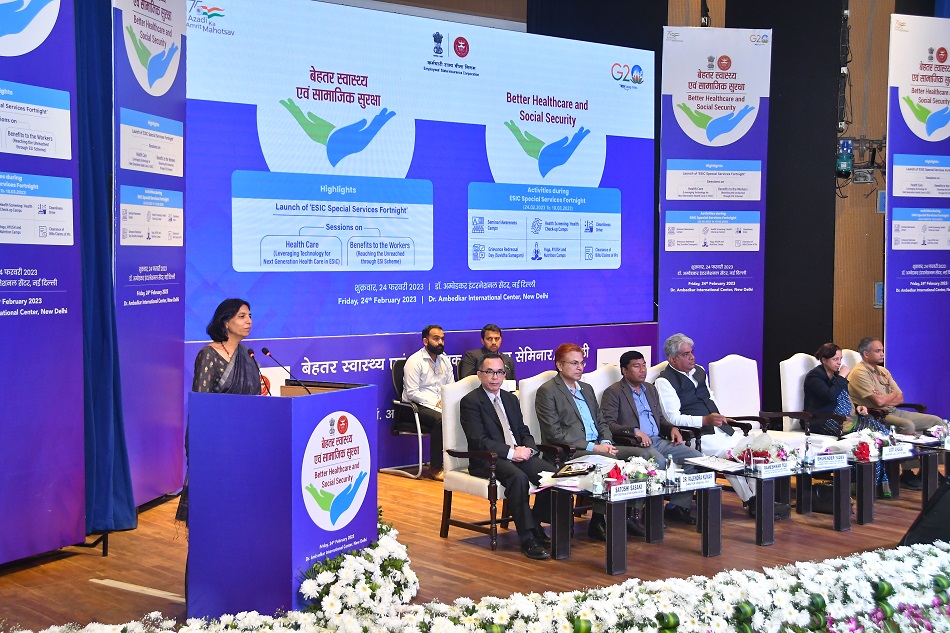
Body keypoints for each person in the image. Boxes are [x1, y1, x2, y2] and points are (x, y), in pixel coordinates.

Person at [535, 343, 655, 540]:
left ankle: (626, 516)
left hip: (600, 445)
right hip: (570, 451)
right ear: (559, 365)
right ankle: (598, 520)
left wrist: (606, 441)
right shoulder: (548, 391)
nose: (580, 367)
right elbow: (554, 433)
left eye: (582, 363)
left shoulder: (587, 389)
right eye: (574, 363)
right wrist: (595, 447)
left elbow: (601, 421)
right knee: (608, 461)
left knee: (642, 456)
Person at [654, 333, 781, 518]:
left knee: (749, 450)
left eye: (692, 352)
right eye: (686, 354)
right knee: (730, 455)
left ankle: (760, 499)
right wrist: (704, 421)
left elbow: (710, 398)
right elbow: (672, 418)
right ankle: (753, 501)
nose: (692, 357)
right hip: (696, 435)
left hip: (719, 429)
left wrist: (721, 417)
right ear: (673, 359)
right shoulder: (664, 381)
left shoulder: (699, 371)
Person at [459, 353, 553, 560]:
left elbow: (523, 430)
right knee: (518, 478)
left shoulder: (510, 399)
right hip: (488, 459)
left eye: (499, 372)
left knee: (551, 475)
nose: (495, 377)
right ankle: (527, 538)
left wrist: (529, 449)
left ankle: (535, 523)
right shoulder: (470, 402)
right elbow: (478, 440)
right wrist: (511, 453)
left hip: (518, 453)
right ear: (479, 374)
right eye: (489, 372)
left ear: (504, 375)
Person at [179, 298, 264, 523]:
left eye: (250, 316)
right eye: (242, 316)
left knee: (241, 509)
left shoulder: (247, 356)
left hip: (246, 440)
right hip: (217, 443)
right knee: (215, 509)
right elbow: (201, 405)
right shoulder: (209, 355)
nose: (249, 321)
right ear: (226, 322)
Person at [601, 350, 700, 524]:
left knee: (696, 458)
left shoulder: (650, 389)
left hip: (659, 440)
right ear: (624, 370)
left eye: (644, 365)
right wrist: (634, 431)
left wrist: (672, 428)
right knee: (658, 462)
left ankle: (676, 506)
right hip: (636, 444)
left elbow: (659, 418)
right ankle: (650, 513)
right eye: (636, 366)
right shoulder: (614, 392)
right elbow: (609, 424)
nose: (642, 370)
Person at [848, 337, 941, 490]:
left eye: (882, 350)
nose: (882, 354)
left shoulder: (883, 371)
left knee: (936, 422)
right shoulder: (859, 373)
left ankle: (930, 470)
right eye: (878, 351)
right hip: (875, 416)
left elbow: (900, 397)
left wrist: (886, 398)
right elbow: (878, 402)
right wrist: (890, 396)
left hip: (894, 411)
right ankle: (907, 473)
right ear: (866, 353)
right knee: (907, 425)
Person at [805, 343, 893, 497]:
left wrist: (858, 407)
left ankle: (878, 484)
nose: (839, 363)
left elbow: (845, 399)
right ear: (824, 360)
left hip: (849, 418)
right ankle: (858, 484)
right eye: (835, 359)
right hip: (825, 421)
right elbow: (829, 397)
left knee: (883, 434)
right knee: (867, 438)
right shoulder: (815, 377)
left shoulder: (836, 376)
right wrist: (841, 377)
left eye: (840, 359)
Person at [402, 324, 455, 480]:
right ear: (425, 341)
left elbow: (451, 386)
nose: (440, 343)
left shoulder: (445, 360)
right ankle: (435, 468)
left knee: (465, 412)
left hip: (440, 405)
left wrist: (447, 400)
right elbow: (412, 393)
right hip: (415, 407)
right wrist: (436, 402)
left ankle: (460, 463)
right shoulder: (415, 361)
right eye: (436, 339)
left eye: (442, 339)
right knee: (441, 420)